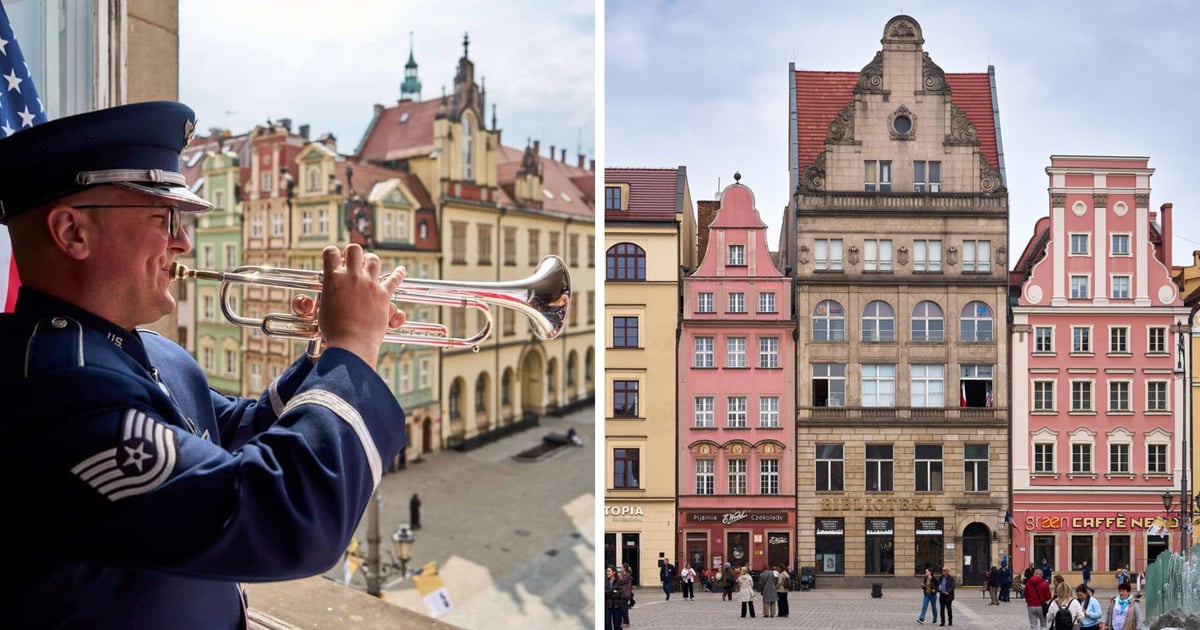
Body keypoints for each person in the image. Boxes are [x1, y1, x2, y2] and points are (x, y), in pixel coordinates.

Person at [0, 102, 410, 628]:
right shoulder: (57, 390)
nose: (184, 241)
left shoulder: (147, 352)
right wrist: (353, 348)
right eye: (163, 216)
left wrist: (322, 354)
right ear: (73, 232)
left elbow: (236, 433)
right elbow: (284, 519)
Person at [619, 563, 634, 627]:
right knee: (622, 608)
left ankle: (626, 622)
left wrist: (620, 576)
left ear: (624, 569)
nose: (620, 569)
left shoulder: (626, 576)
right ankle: (624, 621)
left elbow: (621, 583)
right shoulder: (624, 575)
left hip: (625, 594)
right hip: (624, 594)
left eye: (622, 567)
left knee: (624, 609)